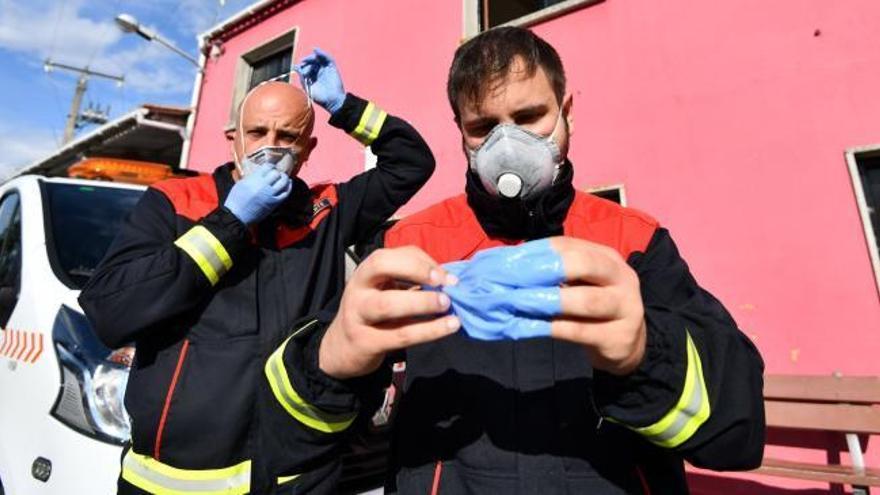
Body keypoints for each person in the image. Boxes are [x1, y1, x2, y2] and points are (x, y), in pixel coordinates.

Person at [305, 27, 766, 493]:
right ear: (462, 133)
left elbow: (737, 437)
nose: (507, 144)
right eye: (483, 127)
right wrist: (332, 359)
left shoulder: (631, 240)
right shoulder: (411, 244)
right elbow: (310, 424)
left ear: (567, 113)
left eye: (530, 117)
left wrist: (646, 355)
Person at [79, 47, 435, 494]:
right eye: (257, 132)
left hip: (296, 476)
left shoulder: (326, 209)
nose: (271, 147)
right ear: (234, 138)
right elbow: (110, 309)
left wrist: (344, 108)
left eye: (287, 136)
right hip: (174, 481)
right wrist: (230, 221)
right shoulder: (176, 202)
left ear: (308, 149)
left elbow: (411, 162)